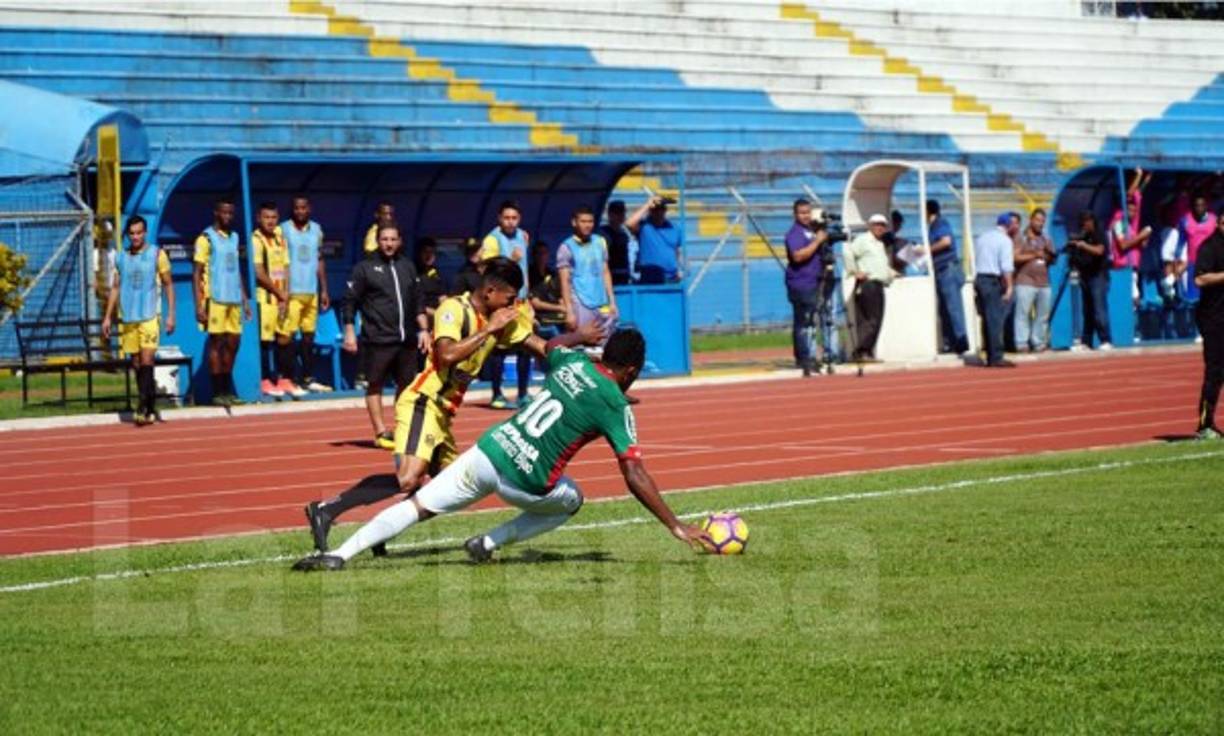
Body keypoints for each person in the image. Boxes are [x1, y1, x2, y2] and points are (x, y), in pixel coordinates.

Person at [291, 329, 714, 571]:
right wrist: (676, 526)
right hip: (526, 482)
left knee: (417, 505)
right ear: (633, 371)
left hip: (489, 450)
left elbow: (550, 345)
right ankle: (487, 543)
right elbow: (634, 473)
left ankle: (338, 555)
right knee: (573, 501)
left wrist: (581, 336)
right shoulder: (615, 403)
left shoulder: (573, 361)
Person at [303, 257, 603, 555]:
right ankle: (328, 509)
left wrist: (585, 347)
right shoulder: (453, 309)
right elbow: (446, 355)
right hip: (424, 401)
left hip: (444, 414)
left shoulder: (500, 320)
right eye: (509, 299)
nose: (512, 306)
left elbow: (542, 348)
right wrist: (488, 331)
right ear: (489, 293)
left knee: (446, 492)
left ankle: (381, 530)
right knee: (409, 478)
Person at [341, 223, 430, 450]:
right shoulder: (365, 268)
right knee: (375, 384)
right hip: (377, 339)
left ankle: (401, 428)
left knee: (406, 386)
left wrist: (424, 330)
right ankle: (380, 431)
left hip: (406, 339)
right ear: (377, 241)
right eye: (384, 239)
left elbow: (418, 301)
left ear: (399, 241)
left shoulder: (408, 266)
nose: (389, 244)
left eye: (393, 239)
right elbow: (350, 301)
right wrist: (349, 332)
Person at [101, 215, 175, 425]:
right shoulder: (121, 258)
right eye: (131, 233)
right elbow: (115, 287)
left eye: (139, 232)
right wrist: (107, 317)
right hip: (129, 317)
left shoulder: (157, 254)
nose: (135, 237)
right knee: (135, 363)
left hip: (150, 315)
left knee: (147, 360)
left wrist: (170, 315)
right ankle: (149, 402)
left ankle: (142, 405)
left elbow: (168, 283)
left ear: (145, 232)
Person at [192, 197, 252, 406]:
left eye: (230, 213)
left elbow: (237, 271)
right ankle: (218, 391)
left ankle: (227, 388)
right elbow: (197, 273)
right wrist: (199, 304)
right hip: (215, 299)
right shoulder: (206, 238)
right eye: (224, 212)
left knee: (234, 343)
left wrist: (245, 299)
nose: (227, 216)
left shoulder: (234, 237)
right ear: (216, 213)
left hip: (234, 299)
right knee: (216, 343)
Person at [481, 201, 532, 409]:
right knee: (499, 349)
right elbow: (487, 268)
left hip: (521, 302)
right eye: (506, 218)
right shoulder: (492, 239)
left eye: (514, 218)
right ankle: (496, 393)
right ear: (499, 218)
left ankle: (523, 393)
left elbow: (525, 269)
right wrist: (511, 259)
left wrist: (528, 299)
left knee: (525, 347)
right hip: (502, 302)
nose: (510, 222)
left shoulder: (523, 236)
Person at [280, 195, 331, 393]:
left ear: (309, 208)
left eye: (303, 208)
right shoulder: (283, 229)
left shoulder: (317, 230)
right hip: (291, 291)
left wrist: (324, 288)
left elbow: (319, 260)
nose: (300, 211)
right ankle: (289, 378)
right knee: (288, 337)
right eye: (296, 208)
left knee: (309, 336)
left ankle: (308, 377)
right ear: (292, 210)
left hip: (311, 291)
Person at [251, 201, 302, 399]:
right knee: (265, 341)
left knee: (285, 338)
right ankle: (264, 380)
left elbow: (286, 267)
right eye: (266, 217)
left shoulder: (281, 239)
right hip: (265, 299)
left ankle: (284, 379)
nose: (270, 221)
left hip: (282, 298)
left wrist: (286, 294)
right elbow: (259, 272)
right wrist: (278, 293)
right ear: (259, 218)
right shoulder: (255, 240)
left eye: (273, 218)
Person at [557, 204, 618, 348]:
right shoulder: (566, 247)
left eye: (590, 221)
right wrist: (569, 311)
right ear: (574, 222)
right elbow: (564, 282)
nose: (587, 225)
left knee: (604, 344)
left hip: (601, 302)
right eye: (583, 221)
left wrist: (612, 301)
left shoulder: (600, 242)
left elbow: (605, 271)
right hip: (580, 303)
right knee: (582, 345)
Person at [783, 198, 829, 375]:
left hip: (814, 281)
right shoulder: (794, 233)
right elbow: (798, 256)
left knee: (811, 321)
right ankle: (804, 357)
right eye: (802, 213)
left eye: (808, 212)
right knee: (803, 322)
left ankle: (810, 355)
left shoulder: (811, 230)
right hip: (800, 282)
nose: (806, 216)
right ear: (795, 214)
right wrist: (817, 242)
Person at [843, 214, 892, 362]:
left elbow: (879, 264)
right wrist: (854, 271)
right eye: (877, 224)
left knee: (875, 318)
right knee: (871, 319)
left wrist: (890, 274)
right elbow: (848, 252)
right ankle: (862, 351)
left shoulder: (880, 243)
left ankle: (866, 351)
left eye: (882, 225)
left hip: (878, 284)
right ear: (870, 225)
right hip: (868, 283)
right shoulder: (863, 240)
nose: (880, 227)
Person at [1192, 211, 1224, 439]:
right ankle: (1205, 424)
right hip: (1213, 319)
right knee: (1215, 370)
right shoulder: (1210, 247)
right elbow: (1200, 279)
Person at [924, 199, 969, 355]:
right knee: (944, 308)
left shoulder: (940, 224)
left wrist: (926, 250)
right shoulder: (932, 227)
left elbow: (946, 242)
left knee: (953, 306)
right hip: (941, 269)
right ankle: (950, 341)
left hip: (947, 269)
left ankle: (961, 340)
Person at [973, 213, 1016, 368]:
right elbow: (1006, 267)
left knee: (986, 318)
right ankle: (996, 356)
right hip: (992, 281)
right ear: (1008, 225)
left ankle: (989, 353)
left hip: (980, 278)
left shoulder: (983, 237)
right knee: (995, 320)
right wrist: (1009, 287)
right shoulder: (1005, 241)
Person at [1067, 211, 1112, 351]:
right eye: (1083, 221)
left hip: (1098, 276)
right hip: (1085, 276)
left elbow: (1100, 250)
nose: (1085, 224)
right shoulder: (1083, 236)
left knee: (1099, 309)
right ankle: (1087, 341)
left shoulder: (1099, 234)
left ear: (1093, 221)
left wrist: (1083, 245)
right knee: (1087, 311)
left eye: (1087, 221)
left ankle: (1106, 340)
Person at [1013, 208, 1056, 353]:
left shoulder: (1046, 238)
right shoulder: (1021, 237)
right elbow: (1015, 257)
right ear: (1031, 220)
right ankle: (1021, 343)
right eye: (1038, 220)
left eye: (1043, 221)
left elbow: (1052, 258)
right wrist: (1034, 255)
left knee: (1043, 315)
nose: (1040, 224)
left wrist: (1049, 257)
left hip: (1044, 282)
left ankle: (1038, 341)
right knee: (1023, 313)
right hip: (1026, 281)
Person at [1109, 169, 1153, 306]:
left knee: (1135, 302)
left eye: (1135, 210)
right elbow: (1123, 245)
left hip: (1133, 268)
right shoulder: (1118, 221)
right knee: (1131, 302)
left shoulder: (1132, 227)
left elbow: (1141, 245)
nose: (1133, 212)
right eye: (1130, 209)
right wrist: (1139, 175)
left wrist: (1144, 239)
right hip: (1122, 269)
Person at [528, 239, 568, 379]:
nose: (542, 256)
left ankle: (566, 368)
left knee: (572, 326)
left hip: (556, 316)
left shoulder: (551, 273)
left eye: (544, 253)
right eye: (539, 253)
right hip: (539, 317)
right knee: (555, 332)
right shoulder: (530, 274)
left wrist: (566, 308)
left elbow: (560, 296)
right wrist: (559, 307)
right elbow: (535, 303)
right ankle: (549, 368)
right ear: (534, 255)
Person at [630, 195, 683, 284]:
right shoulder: (644, 226)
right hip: (650, 278)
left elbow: (676, 251)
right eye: (656, 209)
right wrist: (647, 205)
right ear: (651, 211)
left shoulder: (674, 228)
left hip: (672, 278)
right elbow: (629, 224)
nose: (659, 212)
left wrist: (679, 269)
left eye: (662, 209)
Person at [1182, 195, 1219, 303]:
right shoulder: (1185, 220)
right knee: (1193, 298)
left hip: (1211, 264)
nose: (1199, 208)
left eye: (1202, 205)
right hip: (1193, 263)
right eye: (1197, 206)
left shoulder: (1214, 220)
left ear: (1206, 206)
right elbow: (1180, 243)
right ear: (1193, 207)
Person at [598, 199, 638, 285]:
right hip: (608, 274)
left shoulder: (625, 233)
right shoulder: (602, 232)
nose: (619, 216)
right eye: (616, 213)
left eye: (621, 213)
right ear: (609, 214)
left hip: (624, 275)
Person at [413, 236, 446, 326]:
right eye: (426, 252)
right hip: (420, 319)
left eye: (432, 252)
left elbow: (442, 296)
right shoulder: (412, 272)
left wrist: (446, 309)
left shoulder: (435, 272)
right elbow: (413, 303)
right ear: (419, 253)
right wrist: (436, 313)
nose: (429, 256)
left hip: (438, 318)